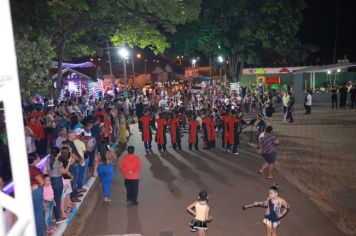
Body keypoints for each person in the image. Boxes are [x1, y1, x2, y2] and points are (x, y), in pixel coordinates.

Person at [45, 147, 67, 224]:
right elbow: (64, 172)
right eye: (60, 152)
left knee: (53, 199)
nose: (60, 153)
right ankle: (58, 217)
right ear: (57, 153)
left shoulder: (48, 161)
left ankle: (54, 216)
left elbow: (46, 171)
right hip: (58, 181)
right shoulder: (58, 162)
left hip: (51, 181)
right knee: (57, 199)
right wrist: (68, 164)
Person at [28, 152, 45, 236]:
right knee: (38, 214)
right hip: (36, 193)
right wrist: (37, 186)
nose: (39, 157)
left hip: (30, 193)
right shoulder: (34, 169)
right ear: (34, 160)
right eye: (38, 157)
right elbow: (42, 182)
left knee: (34, 213)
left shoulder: (27, 168)